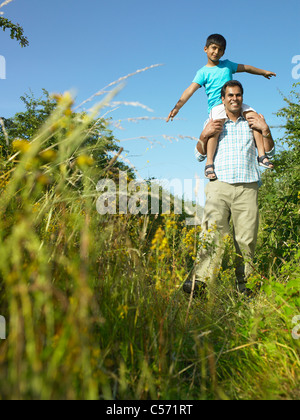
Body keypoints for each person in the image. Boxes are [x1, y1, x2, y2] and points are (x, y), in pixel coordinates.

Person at [183, 80, 275, 298]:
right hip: (219, 186)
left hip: (247, 185)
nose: (235, 98)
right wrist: (204, 135)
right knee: (213, 233)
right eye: (230, 95)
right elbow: (198, 154)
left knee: (246, 239)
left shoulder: (253, 119)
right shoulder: (214, 120)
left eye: (238, 95)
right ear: (223, 99)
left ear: (242, 98)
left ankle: (246, 287)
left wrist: (266, 130)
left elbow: (269, 154)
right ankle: (200, 283)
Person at [166, 34, 276, 179]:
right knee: (215, 128)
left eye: (220, 50)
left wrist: (263, 72)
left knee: (254, 118)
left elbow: (246, 68)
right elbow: (189, 90)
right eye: (213, 48)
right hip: (217, 106)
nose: (216, 52)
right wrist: (177, 107)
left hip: (234, 103)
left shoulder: (228, 65)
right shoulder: (203, 72)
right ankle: (209, 163)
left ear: (223, 52)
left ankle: (261, 156)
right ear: (206, 49)